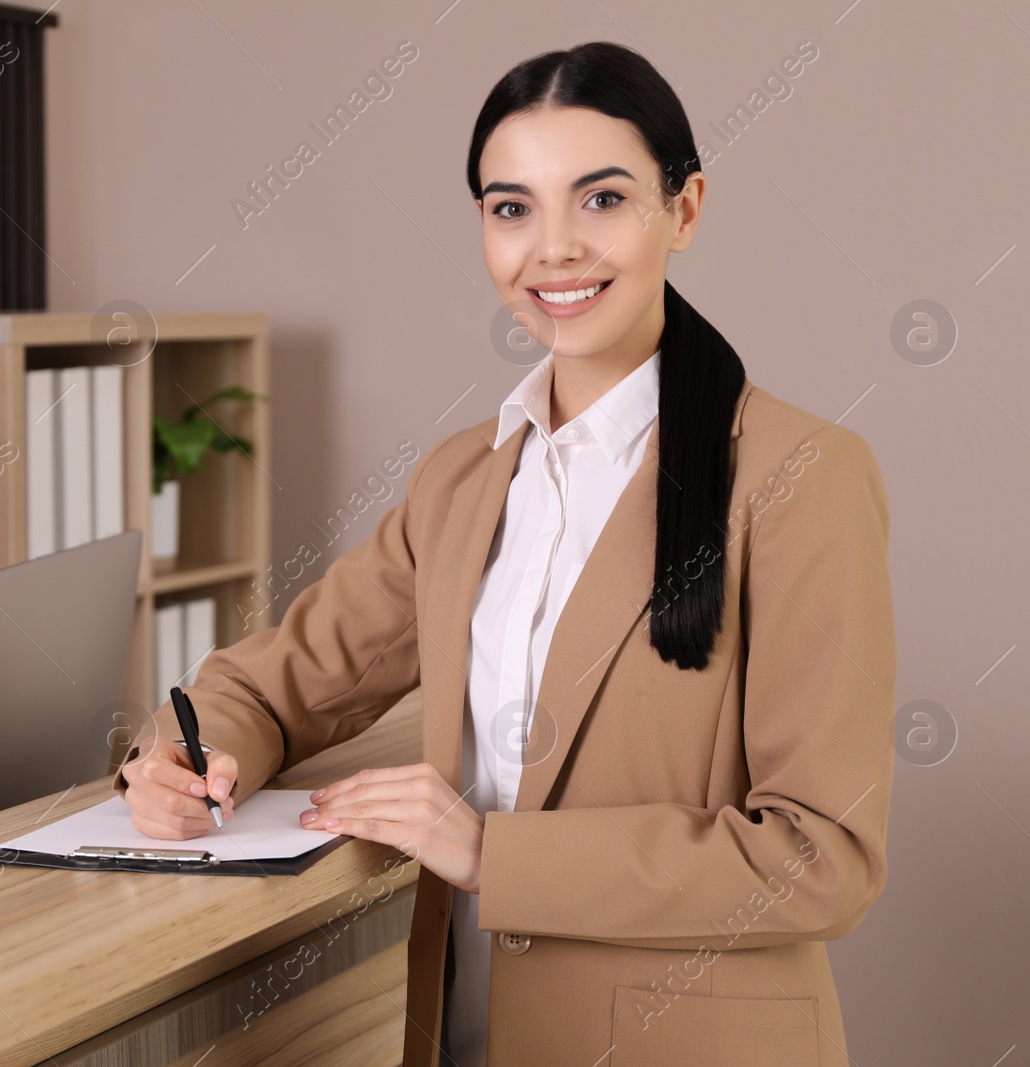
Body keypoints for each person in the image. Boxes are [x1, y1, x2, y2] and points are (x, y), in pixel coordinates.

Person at [114, 39, 895, 1067]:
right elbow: (285, 679)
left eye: (603, 199)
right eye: (511, 207)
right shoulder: (460, 478)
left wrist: (493, 850)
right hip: (468, 1030)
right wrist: (184, 754)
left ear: (686, 209)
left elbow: (818, 856)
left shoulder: (800, 476)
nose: (553, 248)